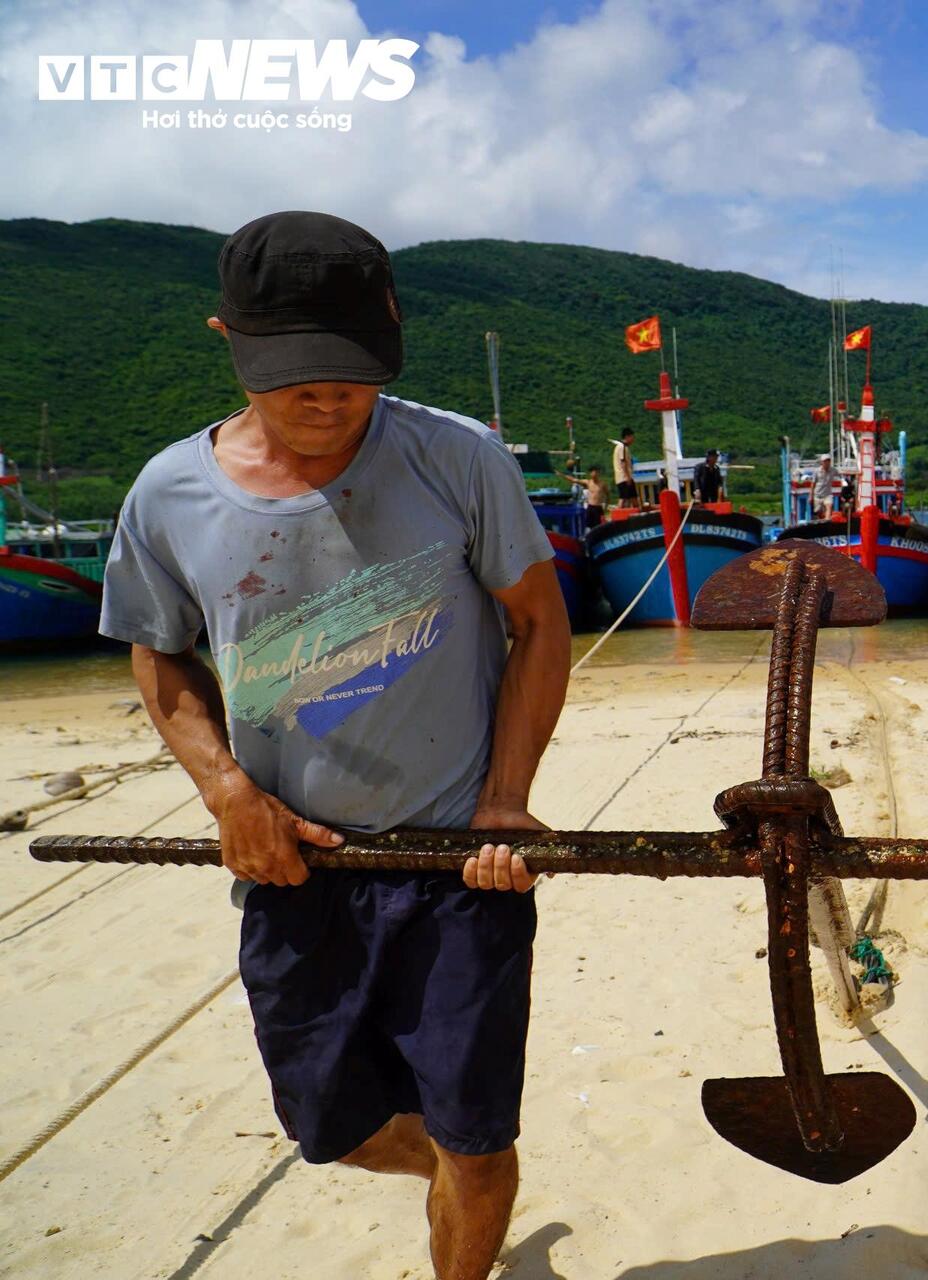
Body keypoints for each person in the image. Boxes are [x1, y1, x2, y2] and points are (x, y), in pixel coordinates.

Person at [97, 211, 572, 1280]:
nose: (325, 397)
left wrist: (505, 796)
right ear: (228, 336)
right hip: (292, 859)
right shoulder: (167, 494)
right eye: (294, 374)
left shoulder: (458, 457)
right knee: (331, 1126)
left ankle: (471, 1191)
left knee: (477, 1139)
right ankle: (454, 1173)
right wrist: (228, 792)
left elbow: (539, 623)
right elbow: (162, 661)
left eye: (351, 371)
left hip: (459, 862)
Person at [613, 427, 636, 504]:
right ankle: (618, 515)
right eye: (632, 437)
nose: (633, 439)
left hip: (624, 477)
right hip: (624, 478)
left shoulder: (623, 447)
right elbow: (623, 463)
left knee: (633, 497)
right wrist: (627, 477)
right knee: (623, 499)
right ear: (627, 437)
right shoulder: (621, 447)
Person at [810, 455, 837, 520]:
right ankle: (821, 520)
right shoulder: (817, 471)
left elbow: (841, 474)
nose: (827, 462)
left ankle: (827, 521)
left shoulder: (833, 470)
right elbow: (813, 484)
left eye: (828, 461)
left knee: (829, 506)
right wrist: (811, 496)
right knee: (818, 511)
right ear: (822, 462)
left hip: (827, 494)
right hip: (818, 495)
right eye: (825, 461)